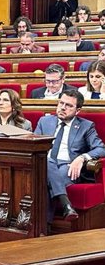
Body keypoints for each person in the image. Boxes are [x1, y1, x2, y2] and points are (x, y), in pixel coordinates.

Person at [34, 89, 105, 221]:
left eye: (69, 106)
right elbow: (33, 144)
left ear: (77, 111)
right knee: (47, 161)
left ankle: (42, 230)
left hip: (68, 167)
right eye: (61, 103)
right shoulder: (44, 121)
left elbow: (101, 148)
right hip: (45, 164)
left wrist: (82, 158)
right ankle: (66, 204)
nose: (63, 108)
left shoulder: (86, 126)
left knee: (45, 178)